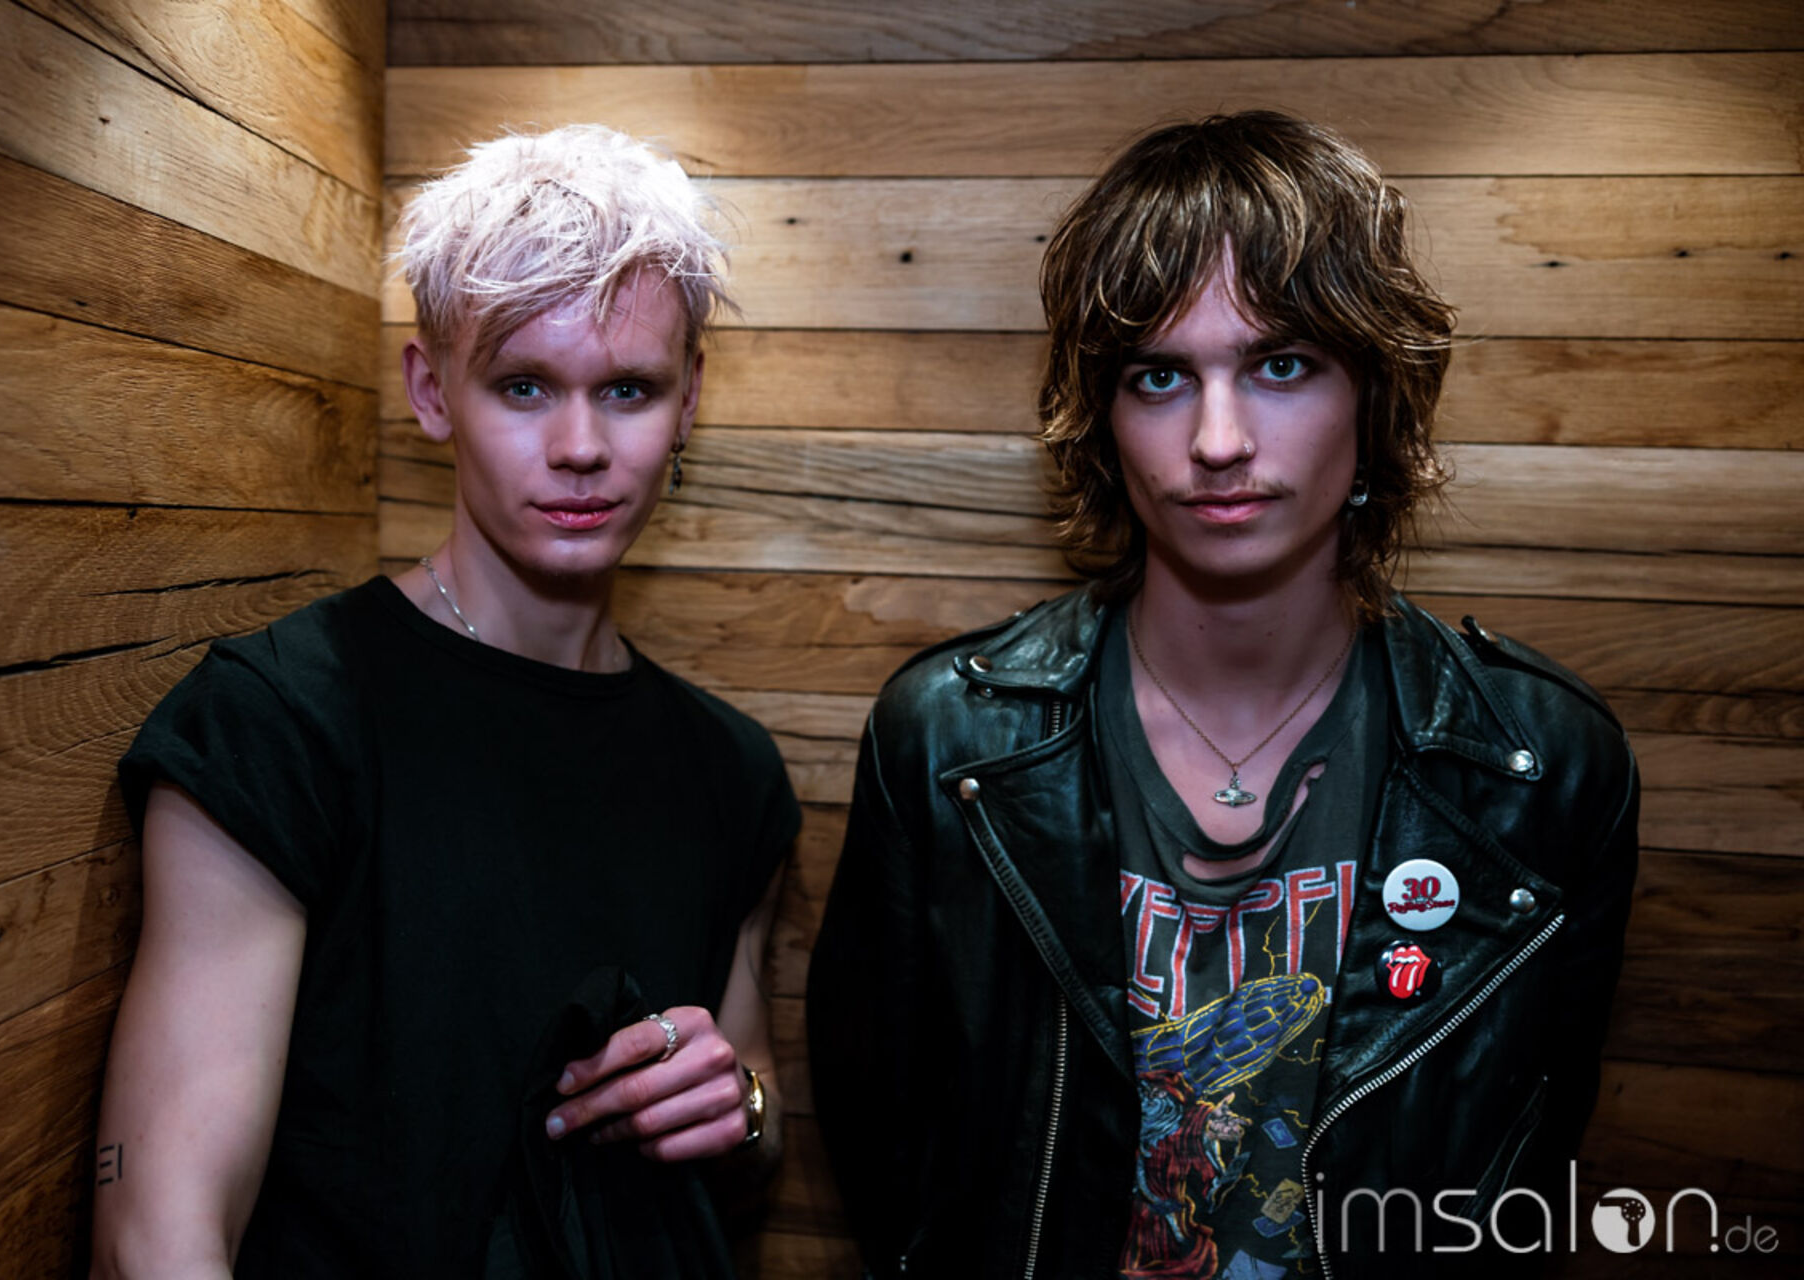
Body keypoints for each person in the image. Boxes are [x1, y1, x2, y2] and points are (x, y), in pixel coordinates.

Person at [807, 112, 1637, 1279]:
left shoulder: (1541, 769)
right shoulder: (950, 740)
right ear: (1103, 417)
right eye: (1159, 375)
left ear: (1374, 394)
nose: (1218, 438)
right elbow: (890, 1146)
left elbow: (1519, 1166)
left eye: (1280, 364)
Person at [91, 125, 798, 1279]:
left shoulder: (731, 769)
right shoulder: (279, 720)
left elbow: (752, 1126)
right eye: (524, 385)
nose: (580, 446)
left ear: (690, 400)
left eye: (628, 388)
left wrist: (741, 1104)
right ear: (432, 391)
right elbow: (156, 1236)